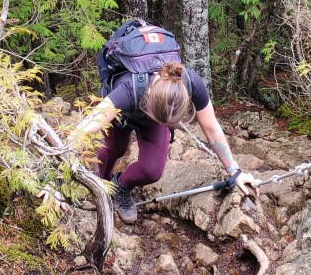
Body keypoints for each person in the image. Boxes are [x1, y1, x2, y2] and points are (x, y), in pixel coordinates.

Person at [72, 58, 258, 223]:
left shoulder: (191, 83)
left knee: (152, 170)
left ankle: (120, 187)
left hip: (154, 116)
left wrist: (235, 171)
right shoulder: (128, 89)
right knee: (116, 149)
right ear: (149, 96)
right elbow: (84, 128)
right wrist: (57, 175)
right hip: (122, 113)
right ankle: (103, 184)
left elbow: (211, 127)